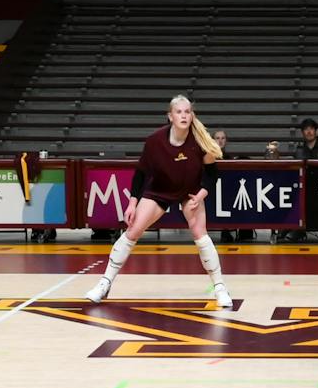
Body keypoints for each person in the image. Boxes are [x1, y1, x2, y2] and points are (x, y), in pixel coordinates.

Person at [84, 95, 233, 312]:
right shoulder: (155, 141)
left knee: (200, 234)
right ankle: (105, 283)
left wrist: (201, 195)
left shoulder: (200, 141)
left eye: (187, 111)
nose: (184, 115)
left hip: (189, 192)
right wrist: (133, 202)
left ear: (192, 115)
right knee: (132, 231)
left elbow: (212, 174)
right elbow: (141, 173)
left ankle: (220, 287)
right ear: (170, 116)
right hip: (159, 190)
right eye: (179, 112)